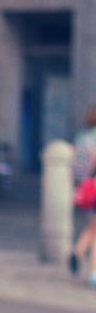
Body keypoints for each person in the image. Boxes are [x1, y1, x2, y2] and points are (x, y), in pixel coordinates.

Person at [69, 106, 96, 287]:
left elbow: (74, 161)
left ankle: (81, 255)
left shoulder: (81, 137)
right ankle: (81, 254)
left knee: (93, 229)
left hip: (86, 186)